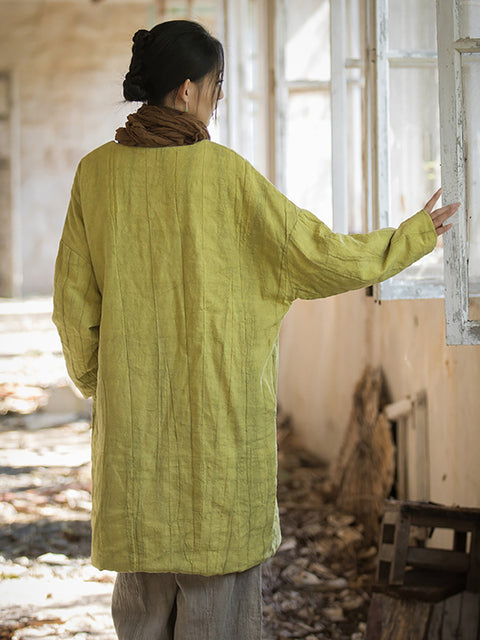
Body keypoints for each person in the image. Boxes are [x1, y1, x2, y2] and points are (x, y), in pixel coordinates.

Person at [52, 19, 458, 640]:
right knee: (220, 610)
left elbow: (72, 304)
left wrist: (106, 385)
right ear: (186, 90)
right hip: (218, 441)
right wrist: (411, 238)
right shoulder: (228, 179)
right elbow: (316, 253)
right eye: (216, 87)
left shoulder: (95, 175)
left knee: (139, 608)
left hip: (134, 444)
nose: (216, 102)